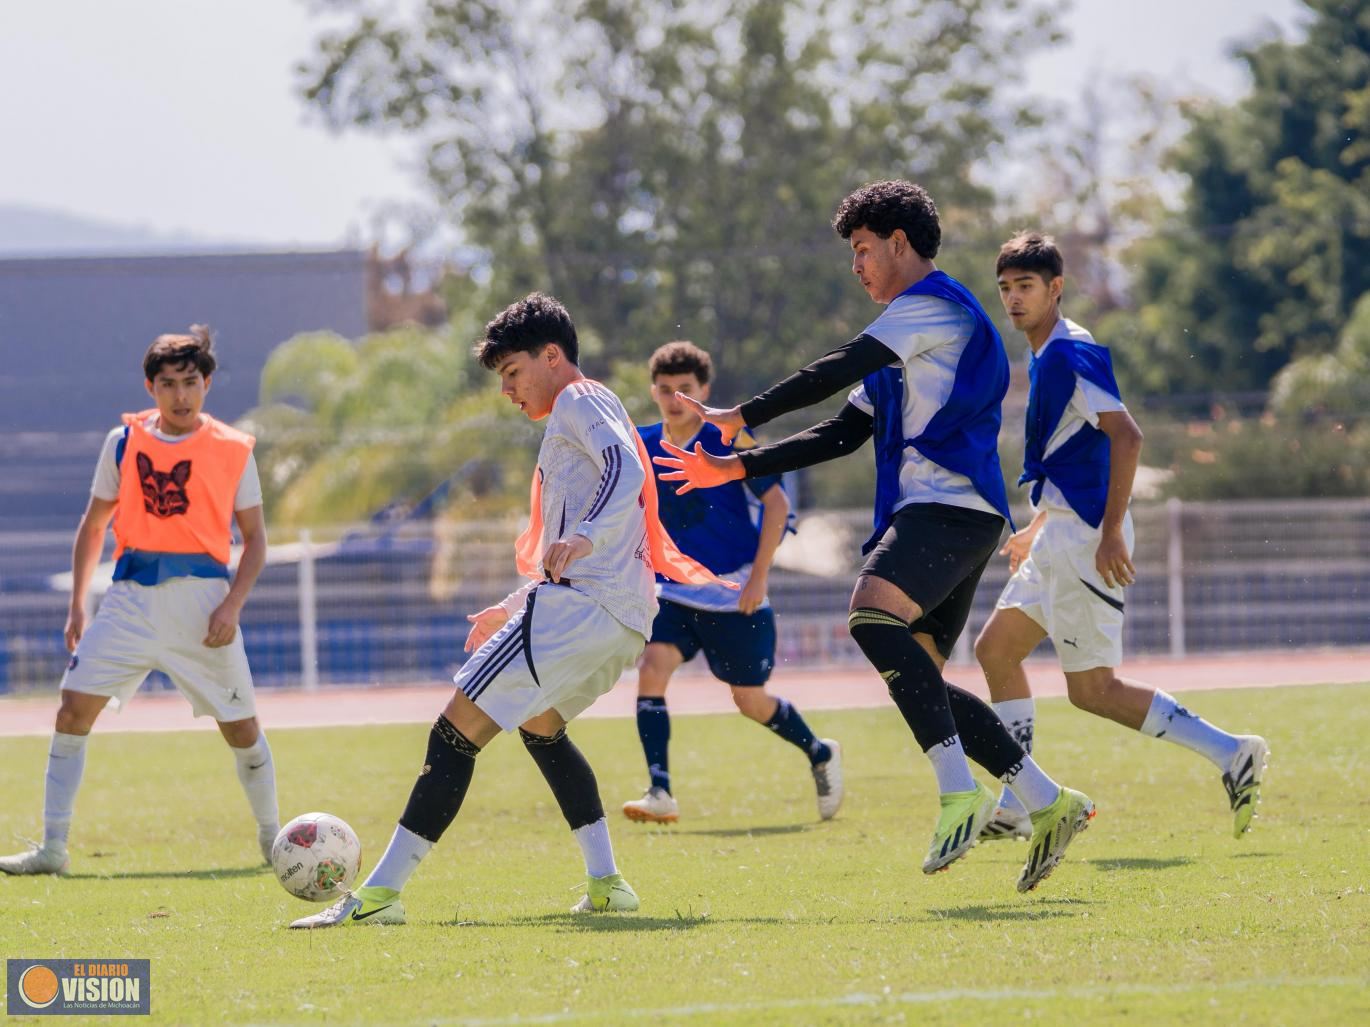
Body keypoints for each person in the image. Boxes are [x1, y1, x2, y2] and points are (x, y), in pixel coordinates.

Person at [653, 180, 1093, 892]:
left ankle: (959, 792)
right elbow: (841, 431)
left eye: (862, 249)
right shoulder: (905, 339)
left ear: (898, 242)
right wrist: (737, 466)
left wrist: (743, 414)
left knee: (869, 615)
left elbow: (836, 367)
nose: (856, 266)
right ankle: (1048, 800)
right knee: (920, 675)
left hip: (949, 506)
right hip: (959, 513)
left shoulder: (930, 307)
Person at [292, 293, 730, 928]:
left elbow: (626, 471)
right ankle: (608, 885)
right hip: (622, 618)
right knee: (540, 728)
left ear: (551, 356)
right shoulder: (592, 405)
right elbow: (594, 519)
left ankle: (378, 897)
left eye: (512, 373)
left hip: (582, 610)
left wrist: (584, 537)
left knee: (453, 733)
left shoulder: (579, 399)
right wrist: (514, 603)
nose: (507, 391)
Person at [974, 232, 1268, 843]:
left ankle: (1231, 751)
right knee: (996, 651)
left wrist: (1110, 533)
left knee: (1093, 690)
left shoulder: (1070, 352)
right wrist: (1037, 525)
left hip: (1086, 541)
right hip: (1059, 535)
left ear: (1056, 288)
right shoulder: (1045, 351)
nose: (1013, 298)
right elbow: (1072, 454)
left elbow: (1127, 436)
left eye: (1025, 286)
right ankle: (1021, 799)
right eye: (1005, 288)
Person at [0, 326, 278, 876]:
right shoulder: (122, 442)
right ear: (150, 387)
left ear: (207, 384)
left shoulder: (232, 449)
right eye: (168, 384)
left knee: (242, 729)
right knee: (71, 710)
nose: (180, 395)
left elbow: (256, 542)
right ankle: (53, 848)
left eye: (190, 382)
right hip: (128, 602)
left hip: (203, 608)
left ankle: (274, 841)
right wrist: (78, 605)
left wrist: (231, 606)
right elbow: (93, 525)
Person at [623, 341, 842, 825]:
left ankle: (820, 752)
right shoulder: (640, 443)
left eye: (685, 389)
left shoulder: (729, 439)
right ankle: (660, 790)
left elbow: (777, 505)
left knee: (750, 700)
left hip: (734, 593)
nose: (674, 399)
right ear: (653, 391)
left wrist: (758, 578)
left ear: (705, 391)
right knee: (652, 667)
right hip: (672, 592)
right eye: (665, 389)